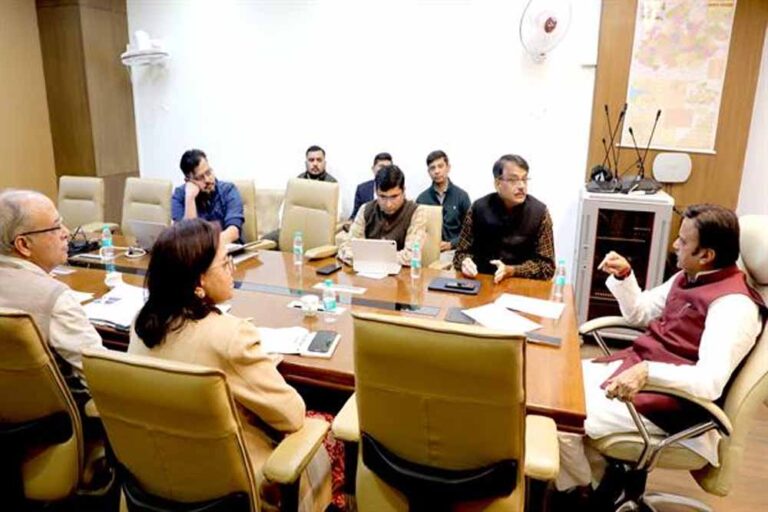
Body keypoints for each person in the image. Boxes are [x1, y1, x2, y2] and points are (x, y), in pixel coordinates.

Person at [556, 204, 764, 501]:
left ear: (706, 255)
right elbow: (640, 312)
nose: (675, 245)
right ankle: (596, 478)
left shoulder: (734, 306)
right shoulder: (689, 276)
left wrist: (647, 372)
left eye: (683, 241)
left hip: (670, 405)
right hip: (637, 373)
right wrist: (625, 276)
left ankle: (585, 492)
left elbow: (709, 382)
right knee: (554, 386)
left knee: (562, 418)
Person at [129, 219, 334, 511]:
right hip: (234, 490)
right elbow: (292, 416)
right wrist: (258, 367)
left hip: (156, 481)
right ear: (199, 282)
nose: (233, 269)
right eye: (225, 263)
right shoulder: (231, 337)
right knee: (325, 436)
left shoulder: (140, 325)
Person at [0, 189, 105, 408]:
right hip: (54, 419)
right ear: (23, 245)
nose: (66, 232)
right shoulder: (55, 298)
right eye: (56, 227)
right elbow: (102, 379)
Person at [453, 154, 555, 283]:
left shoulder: (540, 213)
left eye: (524, 179)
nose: (521, 186)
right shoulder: (478, 208)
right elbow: (460, 254)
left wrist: (512, 270)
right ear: (497, 184)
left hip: (521, 285)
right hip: (482, 281)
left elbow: (547, 267)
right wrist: (465, 262)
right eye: (513, 180)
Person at [339, 165, 427, 266]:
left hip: (401, 273)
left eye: (394, 196)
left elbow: (411, 256)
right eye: (382, 197)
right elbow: (347, 247)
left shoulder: (416, 212)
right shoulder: (365, 209)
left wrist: (366, 257)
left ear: (403, 191)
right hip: (367, 271)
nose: (388, 204)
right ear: (376, 192)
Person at [171, 149, 245, 244]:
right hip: (197, 252)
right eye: (200, 177)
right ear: (188, 181)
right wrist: (190, 198)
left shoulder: (228, 190)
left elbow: (233, 232)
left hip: (228, 249)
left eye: (208, 172)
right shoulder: (179, 196)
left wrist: (208, 247)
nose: (207, 180)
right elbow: (187, 239)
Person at [415, 150, 471, 252]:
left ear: (448, 168)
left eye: (440, 166)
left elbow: (470, 231)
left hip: (455, 251)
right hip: (429, 251)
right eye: (432, 168)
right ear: (428, 172)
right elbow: (416, 231)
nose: (437, 171)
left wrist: (452, 244)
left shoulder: (461, 196)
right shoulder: (422, 199)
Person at [349, 152, 393, 221]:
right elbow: (355, 215)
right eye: (381, 166)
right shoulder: (362, 189)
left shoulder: (397, 190)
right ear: (373, 169)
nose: (384, 170)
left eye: (388, 167)